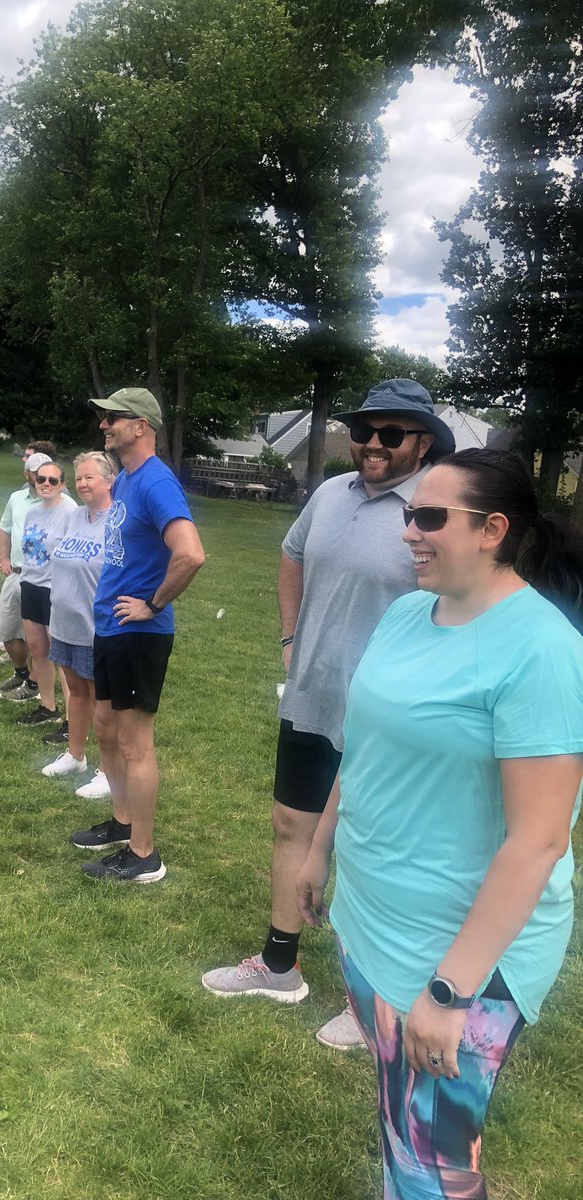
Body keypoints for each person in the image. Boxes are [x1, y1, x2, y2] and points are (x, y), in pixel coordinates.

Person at [296, 448, 583, 1199]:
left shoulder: (544, 651)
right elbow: (363, 751)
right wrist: (318, 850)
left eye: (428, 517)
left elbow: (540, 839)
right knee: (407, 1131)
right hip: (374, 920)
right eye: (407, 514)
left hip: (461, 961)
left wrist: (450, 992)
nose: (407, 532)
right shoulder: (405, 613)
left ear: (493, 529)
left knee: (435, 1166)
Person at [201, 379, 456, 1050]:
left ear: (422, 442)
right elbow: (290, 556)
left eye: (391, 433)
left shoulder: (435, 510)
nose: (371, 443)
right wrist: (291, 642)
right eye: (363, 430)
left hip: (389, 719)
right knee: (291, 825)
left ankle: (376, 999)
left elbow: (462, 605)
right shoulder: (327, 494)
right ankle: (279, 966)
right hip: (312, 697)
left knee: (374, 853)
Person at [71, 387, 205, 883]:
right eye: (104, 418)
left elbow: (190, 553)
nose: (104, 425)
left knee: (134, 742)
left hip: (138, 632)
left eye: (114, 418)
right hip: (111, 626)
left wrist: (153, 604)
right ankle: (122, 824)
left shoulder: (156, 482)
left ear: (142, 426)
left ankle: (144, 855)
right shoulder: (126, 478)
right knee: (106, 728)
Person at [40, 451, 117, 780]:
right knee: (75, 689)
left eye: (90, 477)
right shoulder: (74, 517)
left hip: (95, 627)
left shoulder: (117, 521)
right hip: (63, 622)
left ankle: (108, 771)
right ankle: (76, 755)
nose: (83, 483)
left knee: (102, 699)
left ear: (110, 480)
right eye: (80, 478)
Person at [15, 460, 77, 728]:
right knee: (38, 649)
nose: (46, 485)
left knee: (61, 657)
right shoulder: (33, 512)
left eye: (53, 480)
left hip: (56, 590)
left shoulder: (70, 511)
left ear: (63, 484)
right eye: (41, 480)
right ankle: (47, 706)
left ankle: (71, 720)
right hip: (30, 586)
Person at [0, 447, 56, 702]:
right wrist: (5, 557)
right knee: (7, 631)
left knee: (41, 641)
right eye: (37, 474)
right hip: (17, 574)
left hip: (47, 581)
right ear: (27, 473)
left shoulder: (64, 503)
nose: (43, 479)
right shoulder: (16, 499)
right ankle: (22, 673)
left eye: (47, 475)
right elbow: (4, 528)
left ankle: (35, 686)